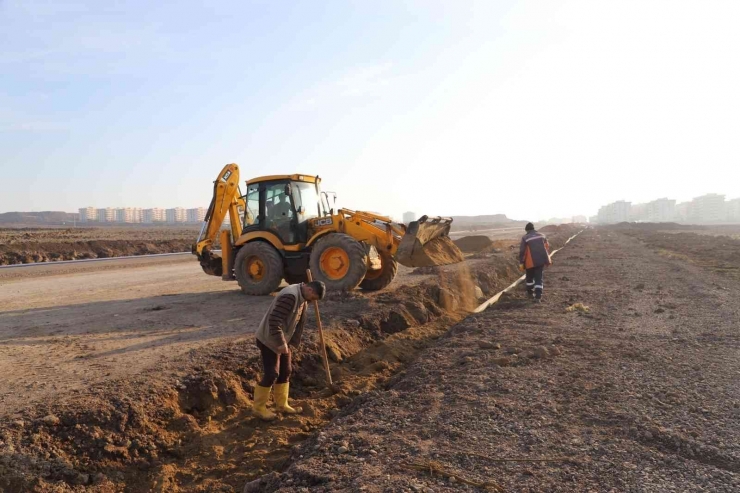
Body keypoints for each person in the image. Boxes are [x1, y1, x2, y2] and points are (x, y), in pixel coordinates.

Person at [252, 280, 326, 420]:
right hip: (269, 339)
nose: (312, 301)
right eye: (313, 298)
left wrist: (290, 342)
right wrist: (281, 343)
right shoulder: (290, 297)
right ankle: (259, 408)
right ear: (310, 290)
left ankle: (282, 404)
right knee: (272, 374)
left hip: (283, 339)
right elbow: (274, 321)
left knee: (286, 371)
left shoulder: (302, 296)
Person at [519, 223, 551, 302]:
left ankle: (530, 293)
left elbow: (522, 251)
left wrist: (521, 262)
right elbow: (547, 246)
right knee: (538, 278)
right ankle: (538, 296)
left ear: (527, 230)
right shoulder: (542, 235)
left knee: (529, 277)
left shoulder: (525, 237)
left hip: (530, 262)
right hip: (540, 261)